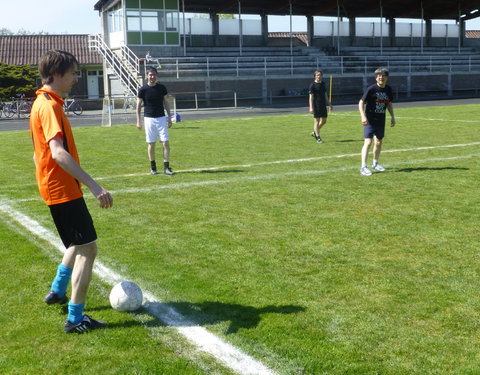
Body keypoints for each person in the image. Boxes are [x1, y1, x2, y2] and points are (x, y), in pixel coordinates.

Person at [30, 50, 113, 333]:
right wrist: (94, 185)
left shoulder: (41, 101)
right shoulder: (50, 106)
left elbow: (36, 153)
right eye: (73, 73)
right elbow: (57, 153)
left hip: (55, 187)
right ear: (57, 74)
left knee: (76, 244)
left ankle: (57, 291)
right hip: (63, 188)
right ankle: (76, 319)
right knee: (88, 249)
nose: (77, 78)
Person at [358, 67, 396, 176]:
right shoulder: (371, 89)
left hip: (381, 120)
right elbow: (361, 102)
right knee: (368, 142)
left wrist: (392, 117)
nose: (381, 77)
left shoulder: (388, 89)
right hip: (370, 120)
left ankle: (375, 163)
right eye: (379, 76)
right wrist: (363, 116)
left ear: (387, 78)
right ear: (376, 78)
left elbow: (389, 103)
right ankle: (363, 167)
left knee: (378, 142)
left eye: (383, 76)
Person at [136, 66, 173, 175]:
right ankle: (153, 168)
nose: (152, 76)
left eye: (154, 74)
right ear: (147, 76)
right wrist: (138, 121)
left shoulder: (161, 88)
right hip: (149, 119)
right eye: (150, 75)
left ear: (156, 75)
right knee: (151, 144)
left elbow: (166, 102)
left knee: (165, 142)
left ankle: (166, 167)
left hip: (161, 118)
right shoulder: (142, 90)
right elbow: (138, 106)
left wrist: (169, 116)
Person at [308, 70, 332, 143]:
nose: (319, 76)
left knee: (324, 121)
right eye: (317, 75)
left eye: (320, 75)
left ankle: (315, 132)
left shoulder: (323, 84)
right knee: (317, 121)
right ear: (315, 76)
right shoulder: (312, 85)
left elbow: (325, 94)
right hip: (316, 105)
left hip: (323, 105)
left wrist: (329, 103)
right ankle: (318, 137)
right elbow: (311, 97)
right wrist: (311, 107)